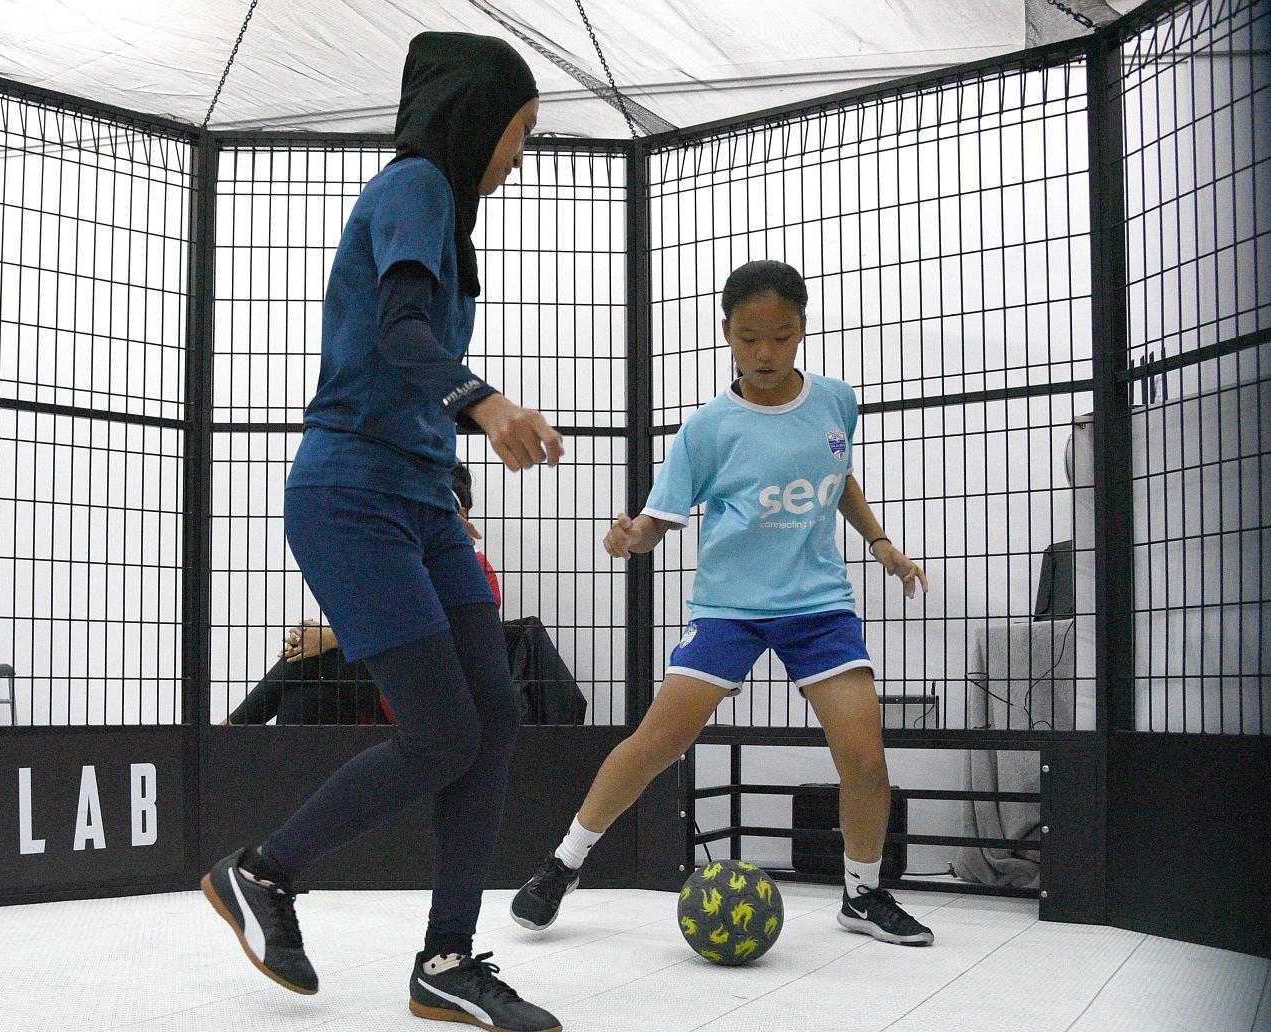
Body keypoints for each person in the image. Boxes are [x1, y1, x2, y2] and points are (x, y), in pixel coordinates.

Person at [202, 32, 565, 1032]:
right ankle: (263, 873)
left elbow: (397, 361)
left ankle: (446, 961)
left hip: (417, 498)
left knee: (492, 715)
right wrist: (489, 405)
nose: (521, 157)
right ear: (477, 118)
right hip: (350, 496)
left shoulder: (447, 220)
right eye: (520, 132)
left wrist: (472, 425)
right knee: (443, 730)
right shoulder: (416, 185)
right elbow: (405, 333)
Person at [509, 259, 937, 948]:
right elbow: (658, 520)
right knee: (658, 741)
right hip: (729, 608)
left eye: (781, 334)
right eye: (747, 338)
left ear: (802, 329)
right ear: (727, 336)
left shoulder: (836, 400)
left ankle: (862, 895)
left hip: (820, 605)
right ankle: (563, 865)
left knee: (865, 756)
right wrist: (632, 537)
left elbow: (836, 476)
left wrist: (881, 542)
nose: (765, 352)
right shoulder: (708, 428)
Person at [221, 463, 499, 726]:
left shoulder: (475, 569)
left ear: (460, 516)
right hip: (383, 679)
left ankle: (228, 730)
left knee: (308, 658)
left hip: (428, 691)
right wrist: (326, 636)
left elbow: (429, 635)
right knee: (299, 701)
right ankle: (273, 768)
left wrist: (330, 639)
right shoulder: (402, 561)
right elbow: (373, 621)